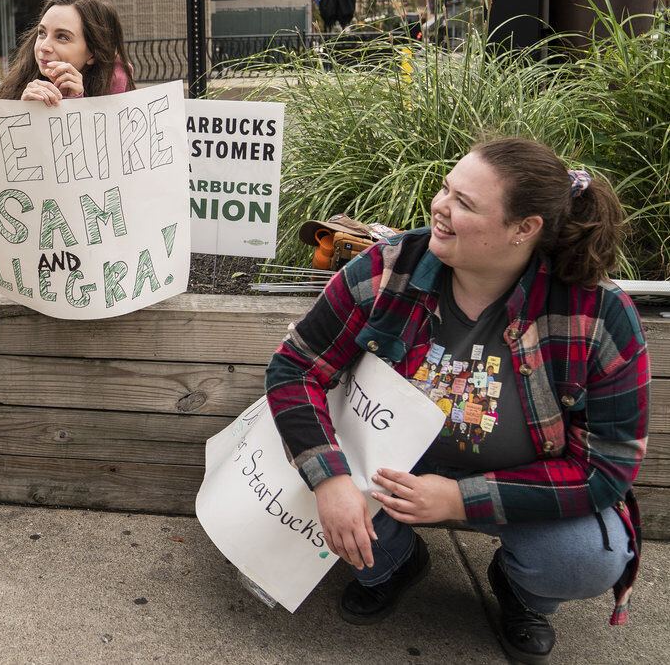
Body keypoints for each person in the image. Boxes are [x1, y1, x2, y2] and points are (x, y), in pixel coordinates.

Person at [266, 137, 648, 664]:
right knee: (310, 476)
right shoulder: (389, 269)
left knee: (586, 557)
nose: (440, 206)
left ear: (524, 229)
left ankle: (518, 589)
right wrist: (330, 479)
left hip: (518, 483)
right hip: (386, 466)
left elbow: (606, 470)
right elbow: (295, 367)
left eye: (465, 203)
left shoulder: (598, 313)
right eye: (446, 188)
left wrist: (458, 497)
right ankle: (395, 562)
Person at [0, 0, 135, 106]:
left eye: (62, 37)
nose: (44, 46)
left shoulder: (116, 85)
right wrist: (23, 112)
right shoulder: (18, 82)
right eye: (42, 32)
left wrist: (74, 103)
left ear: (93, 53)